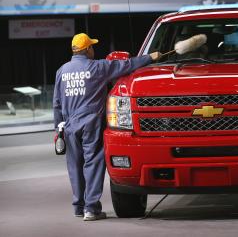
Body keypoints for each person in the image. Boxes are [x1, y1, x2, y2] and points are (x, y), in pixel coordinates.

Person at [53, 33, 161, 221]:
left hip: (69, 126)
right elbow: (127, 65)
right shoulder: (98, 67)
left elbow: (56, 104)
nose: (94, 49)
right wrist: (150, 57)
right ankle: (91, 209)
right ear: (87, 49)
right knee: (93, 163)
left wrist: (58, 131)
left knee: (75, 165)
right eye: (92, 46)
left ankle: (78, 207)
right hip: (91, 124)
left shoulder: (62, 71)